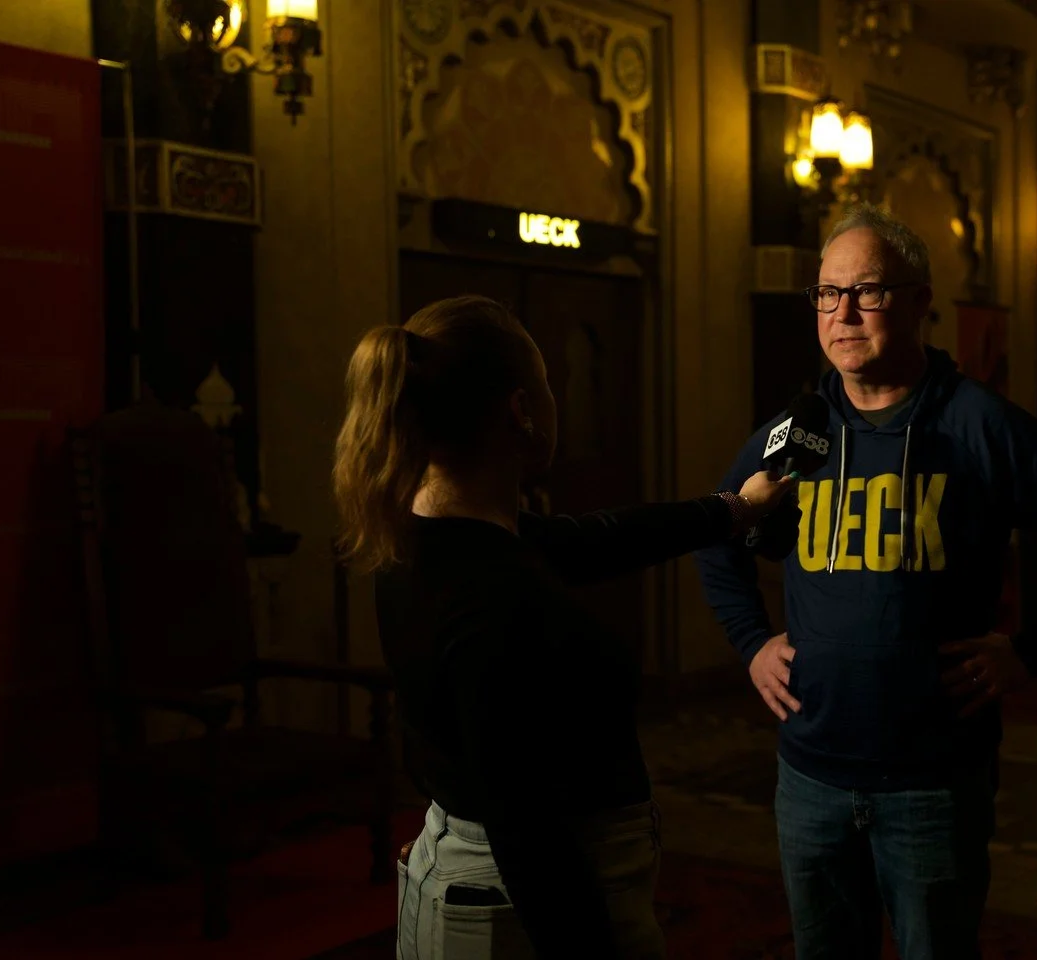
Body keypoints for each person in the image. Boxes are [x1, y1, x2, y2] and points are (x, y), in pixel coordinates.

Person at [695, 204, 1037, 959]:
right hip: (811, 777)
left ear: (919, 302)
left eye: (867, 292)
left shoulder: (979, 426)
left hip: (932, 787)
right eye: (826, 293)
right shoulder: (798, 431)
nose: (842, 314)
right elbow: (720, 533)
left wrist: (1032, 649)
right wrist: (749, 643)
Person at [332, 296, 796, 960]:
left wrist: (732, 510)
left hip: (479, 875)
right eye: (550, 383)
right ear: (522, 409)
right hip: (519, 906)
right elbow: (528, 835)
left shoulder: (438, 534)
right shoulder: (493, 592)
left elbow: (596, 538)